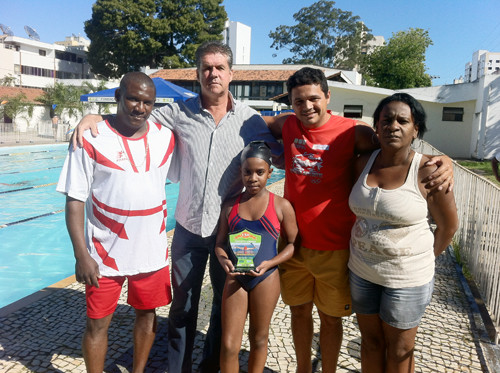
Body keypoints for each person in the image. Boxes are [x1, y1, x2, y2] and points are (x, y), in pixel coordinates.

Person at [72, 41, 282, 373]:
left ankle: (210, 365)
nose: (213, 73)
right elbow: (132, 114)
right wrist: (93, 115)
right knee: (182, 307)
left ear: (231, 74)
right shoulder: (178, 112)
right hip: (187, 227)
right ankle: (178, 368)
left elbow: (279, 145)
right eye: (206, 68)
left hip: (228, 230)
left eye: (219, 67)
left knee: (220, 309)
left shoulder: (250, 120)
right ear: (198, 73)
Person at [264, 67, 455, 373]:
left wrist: (443, 162)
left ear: (328, 96)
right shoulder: (286, 125)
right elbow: (242, 120)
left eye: (314, 98)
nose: (307, 106)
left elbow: (399, 149)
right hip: (293, 243)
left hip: (337, 246)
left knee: (331, 318)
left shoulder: (353, 132)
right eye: (299, 101)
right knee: (299, 313)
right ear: (291, 103)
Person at [57, 72, 175, 372]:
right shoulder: (91, 138)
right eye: (133, 99)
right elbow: (74, 201)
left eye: (147, 102)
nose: (139, 107)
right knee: (97, 325)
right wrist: (81, 255)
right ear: (117, 98)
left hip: (152, 252)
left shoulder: (165, 136)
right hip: (104, 254)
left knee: (148, 316)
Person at [348, 93, 459, 372]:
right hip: (362, 272)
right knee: (371, 342)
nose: (393, 126)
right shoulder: (363, 163)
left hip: (407, 279)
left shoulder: (429, 171)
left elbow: (448, 227)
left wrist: (422, 260)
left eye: (402, 120)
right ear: (376, 126)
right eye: (386, 120)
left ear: (415, 129)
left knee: (400, 351)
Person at [214, 141, 298, 372]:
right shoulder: (230, 206)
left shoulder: (281, 206)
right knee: (229, 345)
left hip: (266, 278)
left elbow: (292, 244)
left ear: (270, 173)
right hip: (236, 278)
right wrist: (223, 260)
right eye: (247, 172)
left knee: (259, 339)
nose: (253, 178)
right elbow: (220, 243)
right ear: (240, 173)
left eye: (259, 172)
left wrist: (270, 263)